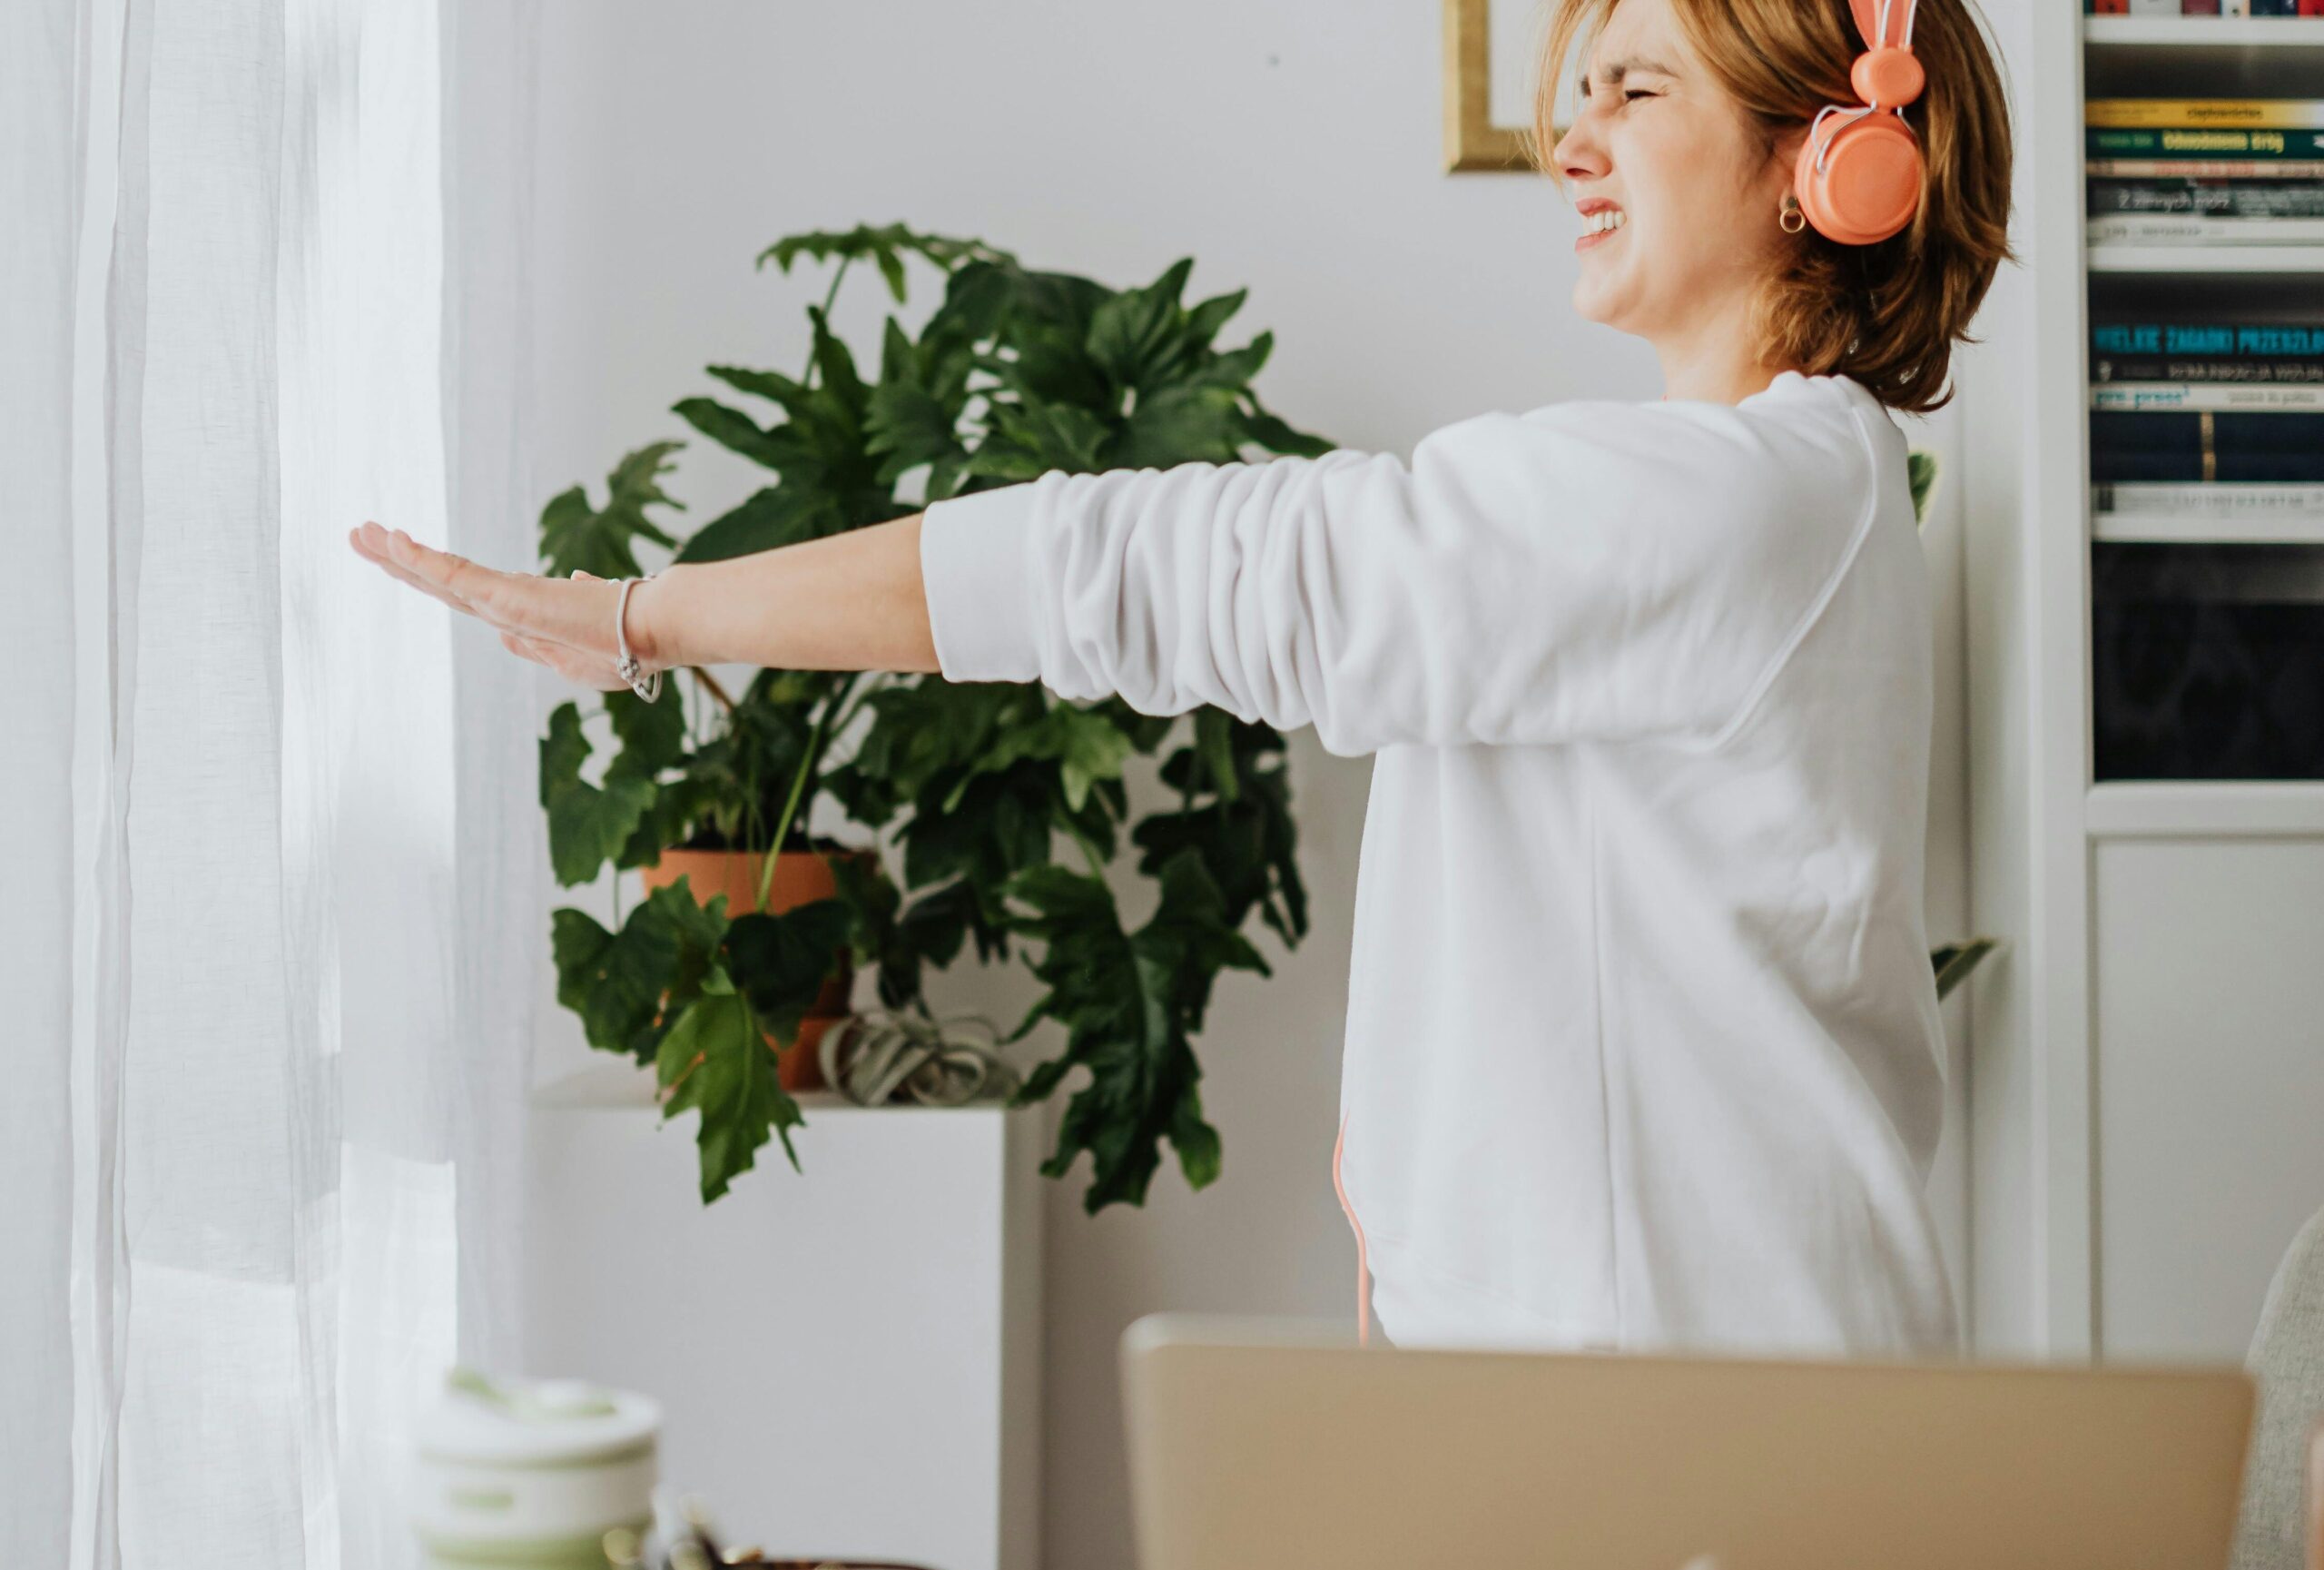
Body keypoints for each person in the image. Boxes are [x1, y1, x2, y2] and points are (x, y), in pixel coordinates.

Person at [351, 0, 2013, 1357]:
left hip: (1678, 1426)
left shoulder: (1719, 499)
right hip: (1684, 1397)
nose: (1566, 141)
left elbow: (1151, 569)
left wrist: (652, 614)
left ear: (1834, 156)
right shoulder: (1786, 486)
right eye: (1574, 90)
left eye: (1635, 87)